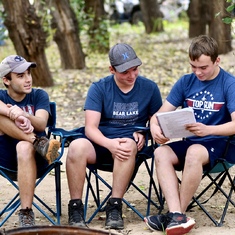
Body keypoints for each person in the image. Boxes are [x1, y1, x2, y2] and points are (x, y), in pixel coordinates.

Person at [144, 35, 235, 235]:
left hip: (220, 144)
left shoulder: (229, 84)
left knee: (194, 151)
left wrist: (208, 129)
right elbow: (159, 115)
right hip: (192, 141)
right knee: (161, 153)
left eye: (203, 67)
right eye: (193, 66)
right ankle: (177, 215)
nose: (197, 72)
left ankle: (176, 215)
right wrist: (154, 127)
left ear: (217, 61)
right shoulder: (186, 82)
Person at [66, 43, 162, 229]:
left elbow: (158, 123)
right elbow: (90, 128)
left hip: (129, 147)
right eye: (125, 72)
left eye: (135, 70)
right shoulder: (99, 88)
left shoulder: (150, 88)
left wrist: (144, 131)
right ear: (112, 70)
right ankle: (76, 209)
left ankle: (115, 206)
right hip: (100, 144)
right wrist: (109, 144)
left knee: (126, 146)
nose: (132, 76)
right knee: (76, 147)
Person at [0, 55, 60, 227]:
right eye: (20, 76)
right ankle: (36, 140)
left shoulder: (39, 95)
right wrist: (12, 114)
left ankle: (26, 211)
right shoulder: (2, 97)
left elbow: (41, 123)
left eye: (28, 74)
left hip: (40, 158)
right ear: (6, 80)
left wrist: (24, 114)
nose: (28, 80)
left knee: (24, 147)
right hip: (6, 161)